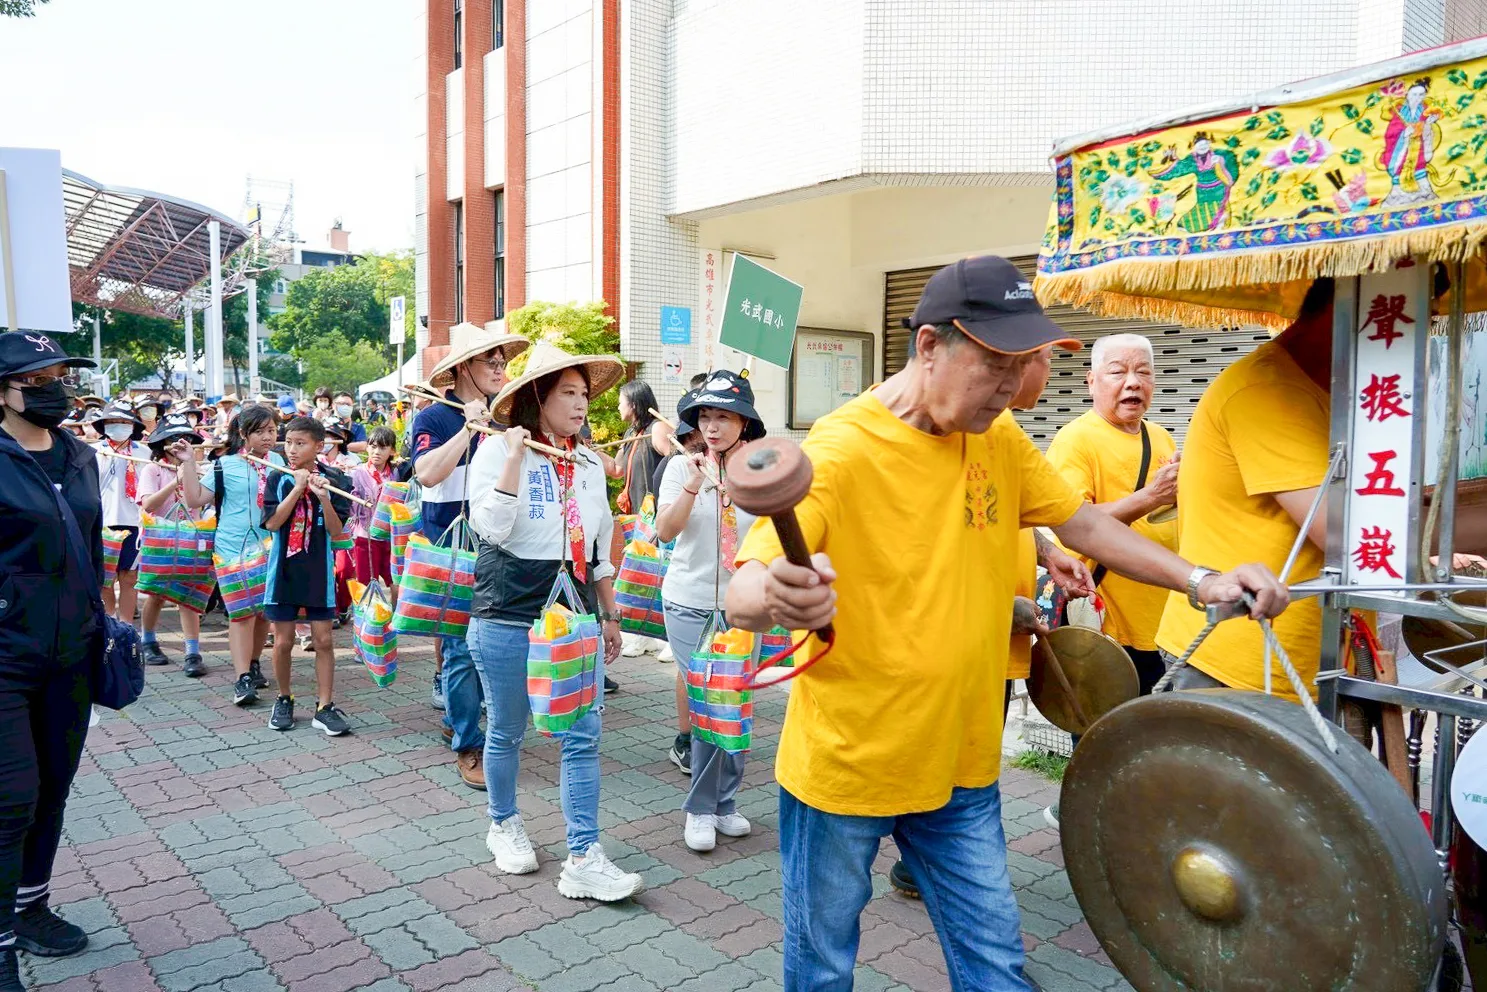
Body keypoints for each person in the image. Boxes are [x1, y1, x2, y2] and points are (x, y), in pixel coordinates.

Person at [723, 255, 1289, 992]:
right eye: (995, 362)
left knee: (995, 965)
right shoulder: (840, 449)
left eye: (1023, 362)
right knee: (823, 964)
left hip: (961, 765)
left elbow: (1079, 519)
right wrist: (778, 599)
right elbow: (743, 587)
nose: (1012, 384)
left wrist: (1201, 579)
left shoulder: (996, 435)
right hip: (848, 769)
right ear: (929, 346)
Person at [467, 340, 643, 901]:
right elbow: (491, 530)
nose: (581, 403)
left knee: (582, 736)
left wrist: (610, 613)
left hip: (574, 619)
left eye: (585, 393)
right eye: (568, 392)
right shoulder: (496, 452)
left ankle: (585, 855)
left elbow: (598, 547)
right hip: (507, 613)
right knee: (508, 731)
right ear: (537, 397)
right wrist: (517, 458)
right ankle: (504, 822)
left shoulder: (590, 463)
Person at [0, 331, 104, 990]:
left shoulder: (80, 456)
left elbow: (92, 545)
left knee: (54, 793)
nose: (54, 390)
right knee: (12, 799)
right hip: (6, 660)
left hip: (72, 656)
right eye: (37, 381)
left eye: (60, 376)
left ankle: (31, 906)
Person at [412, 321, 529, 787]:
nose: (501, 370)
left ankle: (474, 722)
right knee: (460, 649)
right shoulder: (434, 416)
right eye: (491, 362)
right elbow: (426, 475)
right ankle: (468, 742)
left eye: (504, 362)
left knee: (493, 643)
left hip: (500, 547)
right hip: (450, 549)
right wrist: (468, 428)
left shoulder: (508, 419)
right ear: (463, 368)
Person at [654, 371, 766, 851]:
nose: (713, 426)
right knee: (706, 704)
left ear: (744, 422)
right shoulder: (683, 468)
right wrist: (694, 486)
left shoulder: (759, 470)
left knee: (735, 702)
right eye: (705, 415)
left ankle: (725, 803)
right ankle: (699, 810)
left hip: (743, 605)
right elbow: (664, 530)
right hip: (688, 602)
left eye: (723, 416)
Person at [1046, 332, 1179, 695]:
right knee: (1105, 733)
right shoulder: (1076, 439)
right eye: (1118, 371)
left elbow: (1166, 514)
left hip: (1160, 618)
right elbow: (1072, 522)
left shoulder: (1161, 437)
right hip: (1105, 618)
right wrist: (1151, 496)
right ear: (1091, 381)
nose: (1133, 382)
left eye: (1144, 372)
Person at [261, 416, 354, 736]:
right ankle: (283, 698)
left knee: (324, 640)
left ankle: (324, 706)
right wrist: (297, 488)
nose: (292, 449)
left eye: (300, 443)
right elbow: (273, 524)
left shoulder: (336, 480)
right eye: (288, 442)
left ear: (319, 446)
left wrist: (324, 497)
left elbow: (337, 531)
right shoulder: (278, 478)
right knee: (284, 641)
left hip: (319, 570)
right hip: (283, 570)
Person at [200, 405, 282, 706]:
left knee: (263, 612)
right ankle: (242, 677)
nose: (268, 437)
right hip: (231, 548)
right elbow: (196, 499)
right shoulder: (224, 465)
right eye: (260, 431)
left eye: (272, 430)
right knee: (240, 613)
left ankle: (254, 661)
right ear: (243, 434)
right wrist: (184, 465)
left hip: (269, 545)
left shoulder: (278, 461)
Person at [136, 414, 210, 678]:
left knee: (188, 596)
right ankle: (148, 640)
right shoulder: (151, 469)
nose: (180, 444)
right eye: (172, 440)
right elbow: (149, 505)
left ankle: (193, 652)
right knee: (156, 593)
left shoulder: (197, 467)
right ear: (161, 444)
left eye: (186, 439)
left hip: (190, 538)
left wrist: (190, 474)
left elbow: (198, 503)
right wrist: (174, 481)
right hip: (160, 541)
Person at [93, 407, 149, 626]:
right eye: (113, 421)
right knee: (106, 581)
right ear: (104, 426)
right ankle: (109, 625)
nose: (118, 426)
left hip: (135, 522)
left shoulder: (144, 453)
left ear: (133, 426)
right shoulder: (95, 451)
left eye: (124, 422)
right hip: (104, 522)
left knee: (129, 578)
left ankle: (126, 628)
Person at [349, 426, 397, 589]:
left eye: (382, 447)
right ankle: (365, 615)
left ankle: (395, 613)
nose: (376, 451)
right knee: (366, 583)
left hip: (391, 538)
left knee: (396, 582)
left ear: (392, 451)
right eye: (373, 446)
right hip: (365, 536)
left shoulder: (396, 474)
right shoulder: (357, 473)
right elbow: (350, 507)